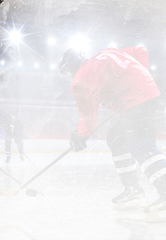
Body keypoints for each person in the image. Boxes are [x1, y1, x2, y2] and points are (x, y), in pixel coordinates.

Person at [59, 46, 166, 220]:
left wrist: (80, 136)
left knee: (139, 142)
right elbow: (141, 51)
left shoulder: (82, 77)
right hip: (146, 94)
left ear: (70, 67)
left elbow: (89, 117)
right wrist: (139, 79)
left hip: (136, 100)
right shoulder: (105, 54)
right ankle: (133, 190)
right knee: (117, 138)